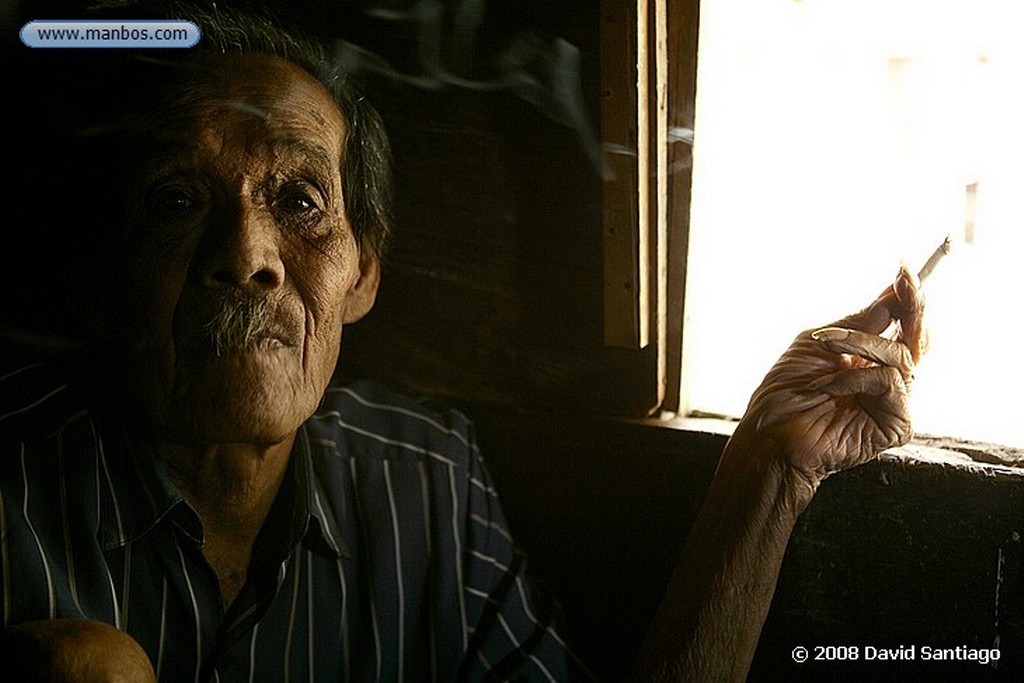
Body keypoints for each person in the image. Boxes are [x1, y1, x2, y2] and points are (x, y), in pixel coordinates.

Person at [0, 4, 927, 681]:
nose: (246, 256)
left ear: (363, 273)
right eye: (177, 202)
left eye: (299, 202)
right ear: (99, 280)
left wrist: (769, 464)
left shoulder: (425, 480)